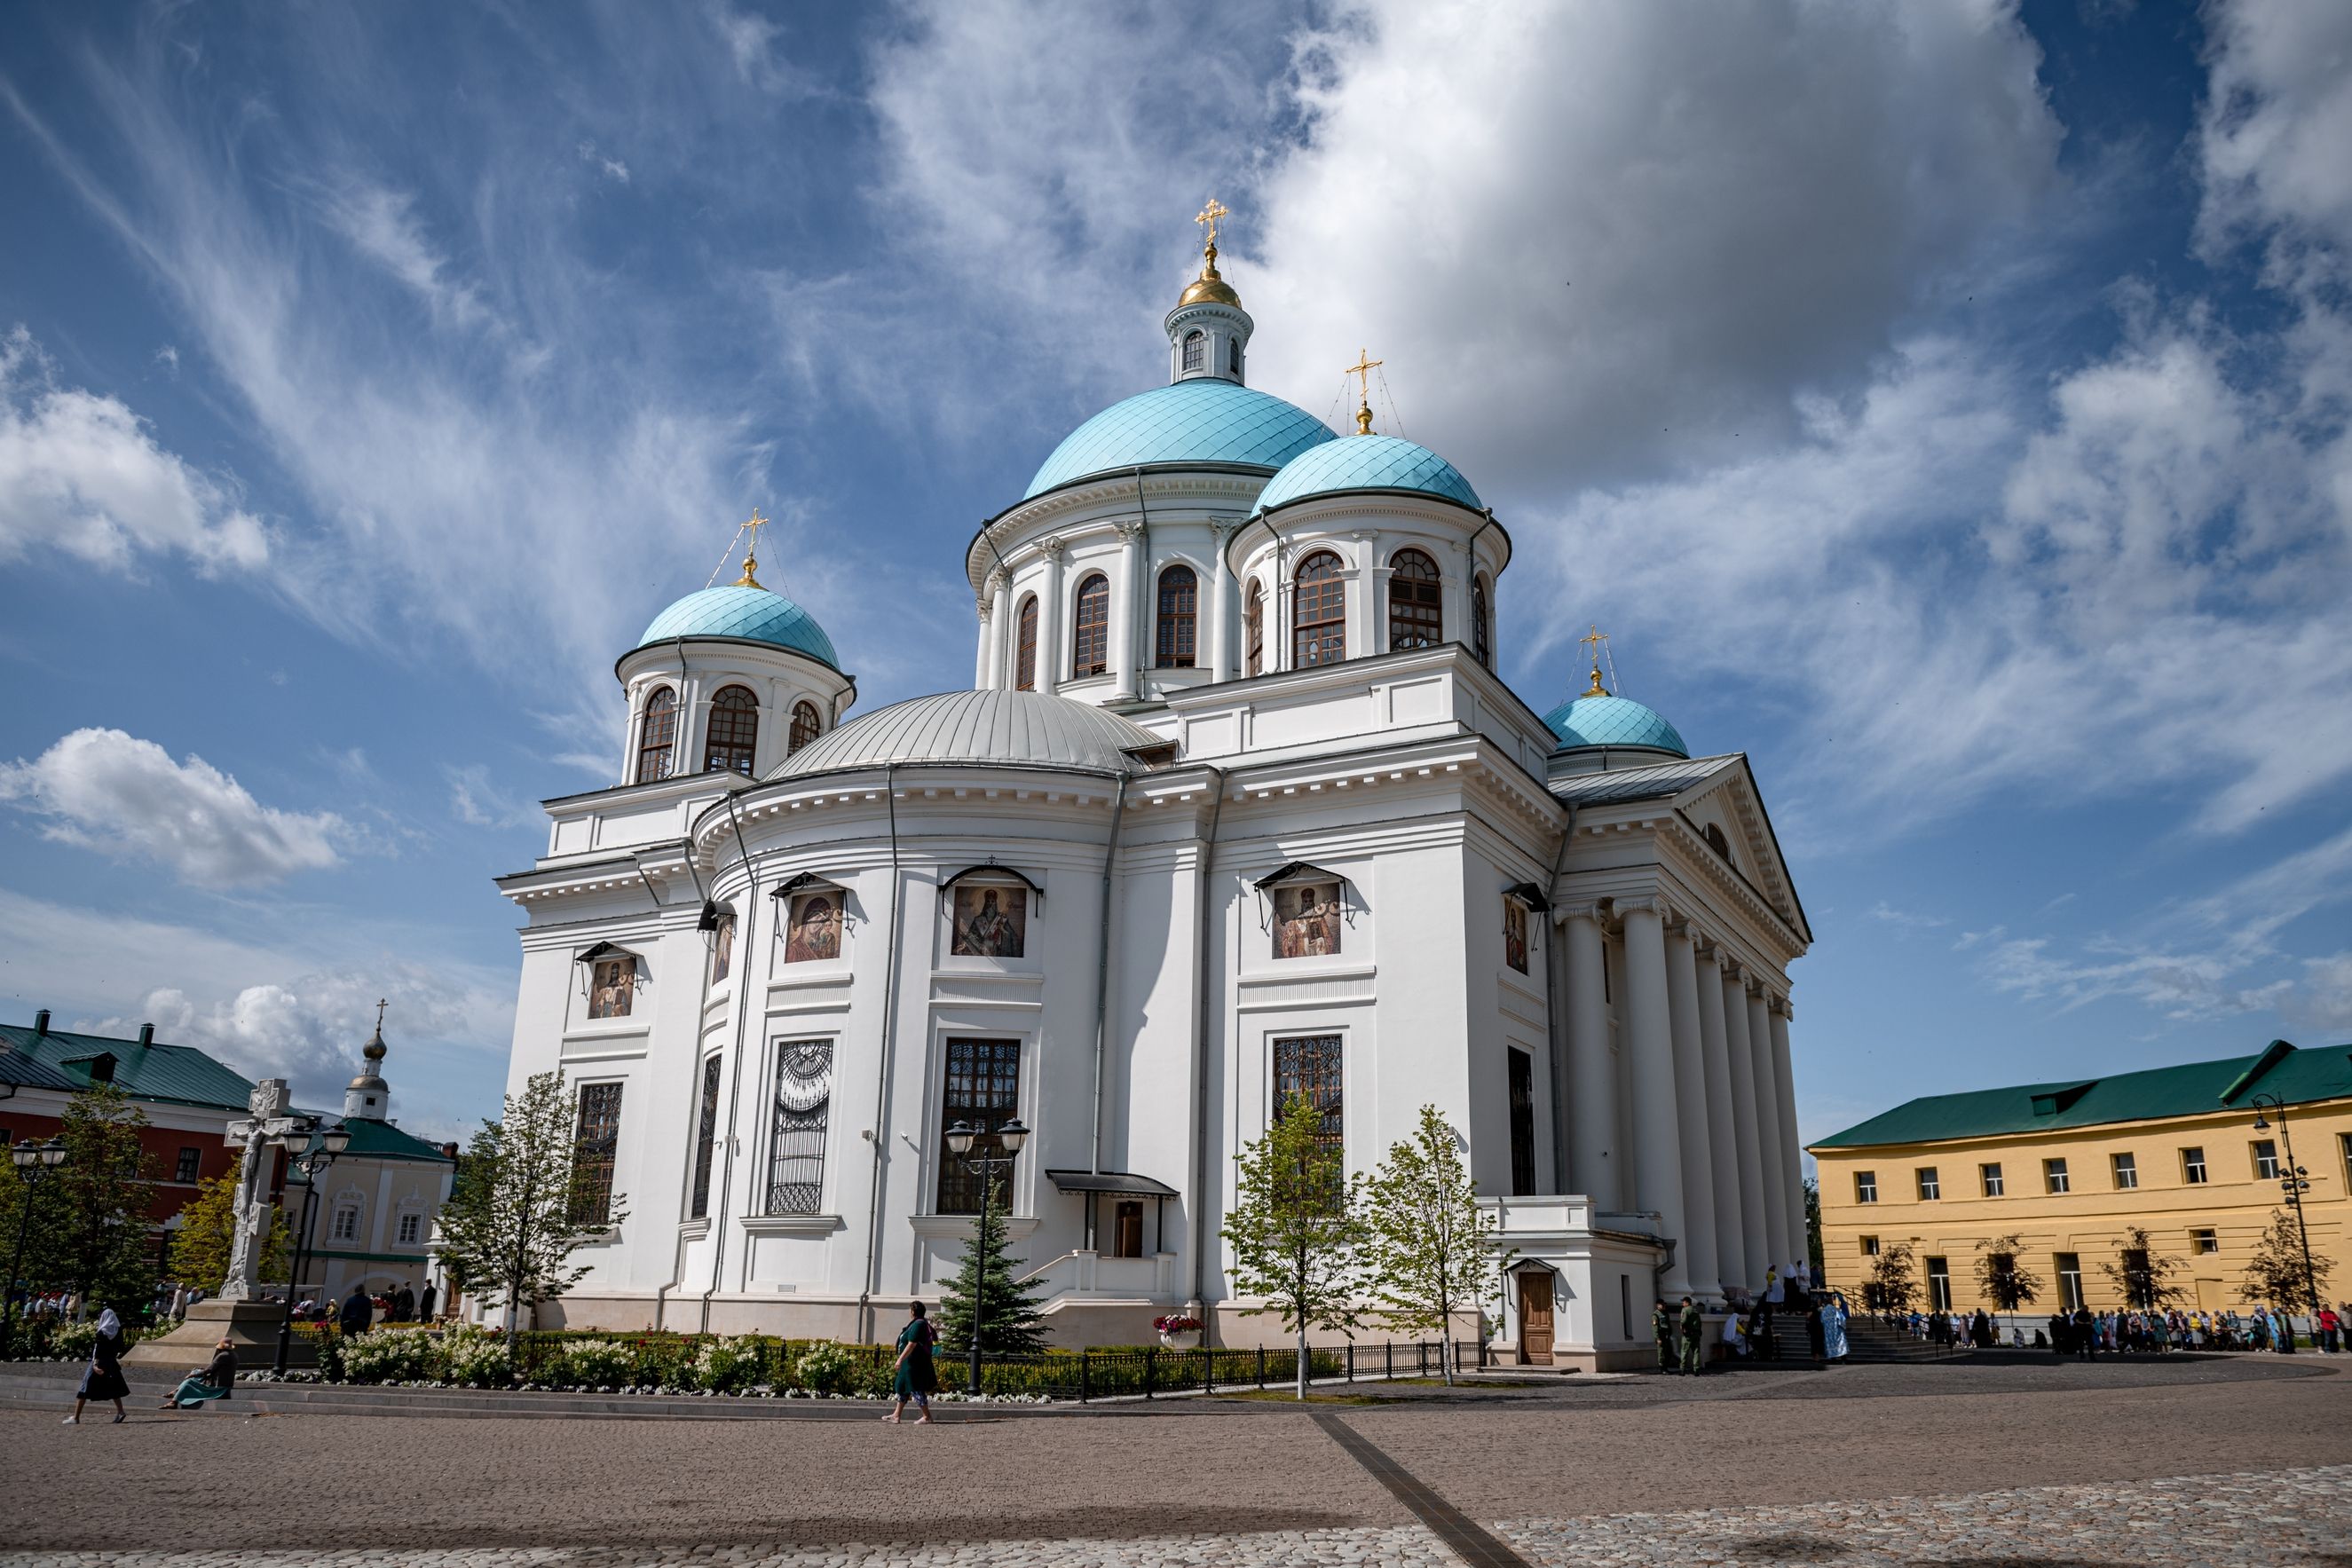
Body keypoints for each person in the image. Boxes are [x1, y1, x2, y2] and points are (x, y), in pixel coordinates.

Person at [67, 1308, 130, 1424]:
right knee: (113, 1387)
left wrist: (95, 1365)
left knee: (84, 1387)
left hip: (100, 1362)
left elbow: (98, 1350)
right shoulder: (117, 1332)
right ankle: (120, 1411)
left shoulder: (102, 1332)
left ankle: (76, 1417)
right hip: (111, 1362)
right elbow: (121, 1347)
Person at [886, 1301, 937, 1423]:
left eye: (910, 1310)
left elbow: (911, 1344)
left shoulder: (918, 1325)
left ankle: (927, 1416)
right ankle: (896, 1415)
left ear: (913, 1312)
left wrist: (900, 1359)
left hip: (914, 1363)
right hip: (910, 1363)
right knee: (903, 1387)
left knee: (915, 1388)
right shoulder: (920, 1324)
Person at [161, 1337, 240, 1410]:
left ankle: (173, 1401)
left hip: (218, 1388)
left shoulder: (222, 1356)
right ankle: (175, 1393)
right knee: (196, 1372)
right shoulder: (234, 1355)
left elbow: (208, 1370)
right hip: (226, 1386)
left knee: (189, 1381)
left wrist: (193, 1375)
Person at [1678, 1296, 1704, 1375]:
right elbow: (1700, 1322)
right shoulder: (1695, 1310)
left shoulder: (1685, 1310)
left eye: (1683, 1302)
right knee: (1696, 1352)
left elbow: (1684, 1320)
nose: (1682, 1303)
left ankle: (1682, 1370)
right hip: (1696, 1333)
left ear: (1687, 1303)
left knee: (1684, 1351)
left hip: (1688, 1334)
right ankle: (1696, 1370)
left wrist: (1681, 1326)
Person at [1821, 1291, 1851, 1361]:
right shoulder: (1835, 1310)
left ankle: (1833, 1359)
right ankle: (1844, 1360)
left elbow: (1821, 1321)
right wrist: (1843, 1327)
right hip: (1837, 1331)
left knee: (1831, 1345)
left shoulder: (1823, 1311)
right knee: (1841, 1344)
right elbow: (1841, 1319)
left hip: (1828, 1332)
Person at [1653, 1299, 1677, 1371]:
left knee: (1669, 1352)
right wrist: (1658, 1338)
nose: (1664, 1306)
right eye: (1662, 1305)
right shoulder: (1656, 1315)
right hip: (1661, 1336)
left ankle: (1666, 1367)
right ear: (1658, 1305)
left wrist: (1670, 1333)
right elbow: (1655, 1327)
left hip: (1667, 1336)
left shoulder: (1665, 1313)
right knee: (1661, 1353)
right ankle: (1662, 1368)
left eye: (1664, 1304)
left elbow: (1668, 1324)